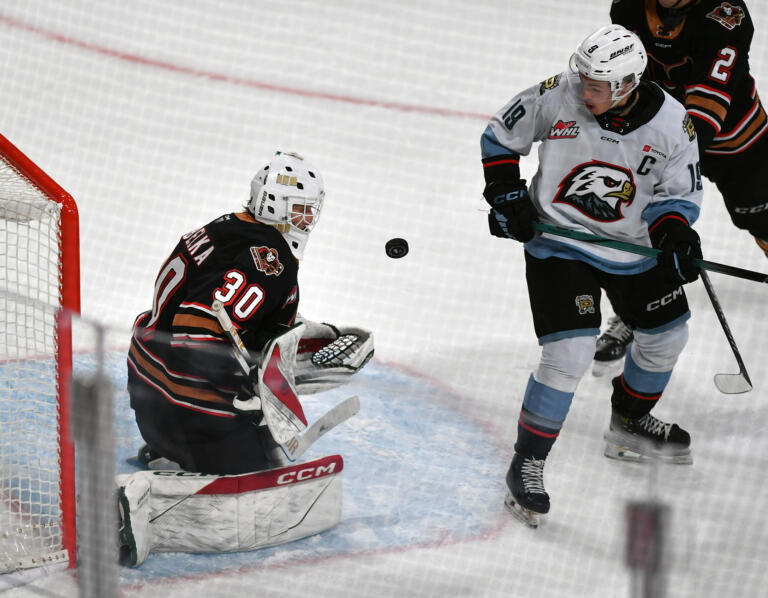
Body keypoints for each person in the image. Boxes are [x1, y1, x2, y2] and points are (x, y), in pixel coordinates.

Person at [480, 25, 703, 526]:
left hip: (633, 249)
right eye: (583, 78)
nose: (584, 91)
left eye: (597, 85)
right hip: (559, 243)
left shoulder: (672, 123)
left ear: (627, 86)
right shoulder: (559, 92)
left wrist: (674, 234)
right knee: (570, 352)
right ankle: (528, 461)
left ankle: (628, 422)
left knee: (668, 337)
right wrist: (507, 195)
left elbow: (678, 195)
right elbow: (499, 136)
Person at [120, 151, 373, 566]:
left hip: (149, 395)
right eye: (302, 211)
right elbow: (196, 327)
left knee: (262, 428)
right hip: (186, 407)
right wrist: (238, 388)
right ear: (276, 204)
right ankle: (152, 501)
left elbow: (233, 321)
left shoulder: (228, 228)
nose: (309, 221)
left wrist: (306, 337)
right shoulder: (269, 260)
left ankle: (175, 448)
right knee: (264, 471)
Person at [595, 0, 768, 365]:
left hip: (736, 142)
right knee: (637, 226)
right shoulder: (628, 7)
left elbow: (708, 104)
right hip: (660, 138)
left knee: (759, 218)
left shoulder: (727, 15)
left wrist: (672, 155)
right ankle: (633, 314)